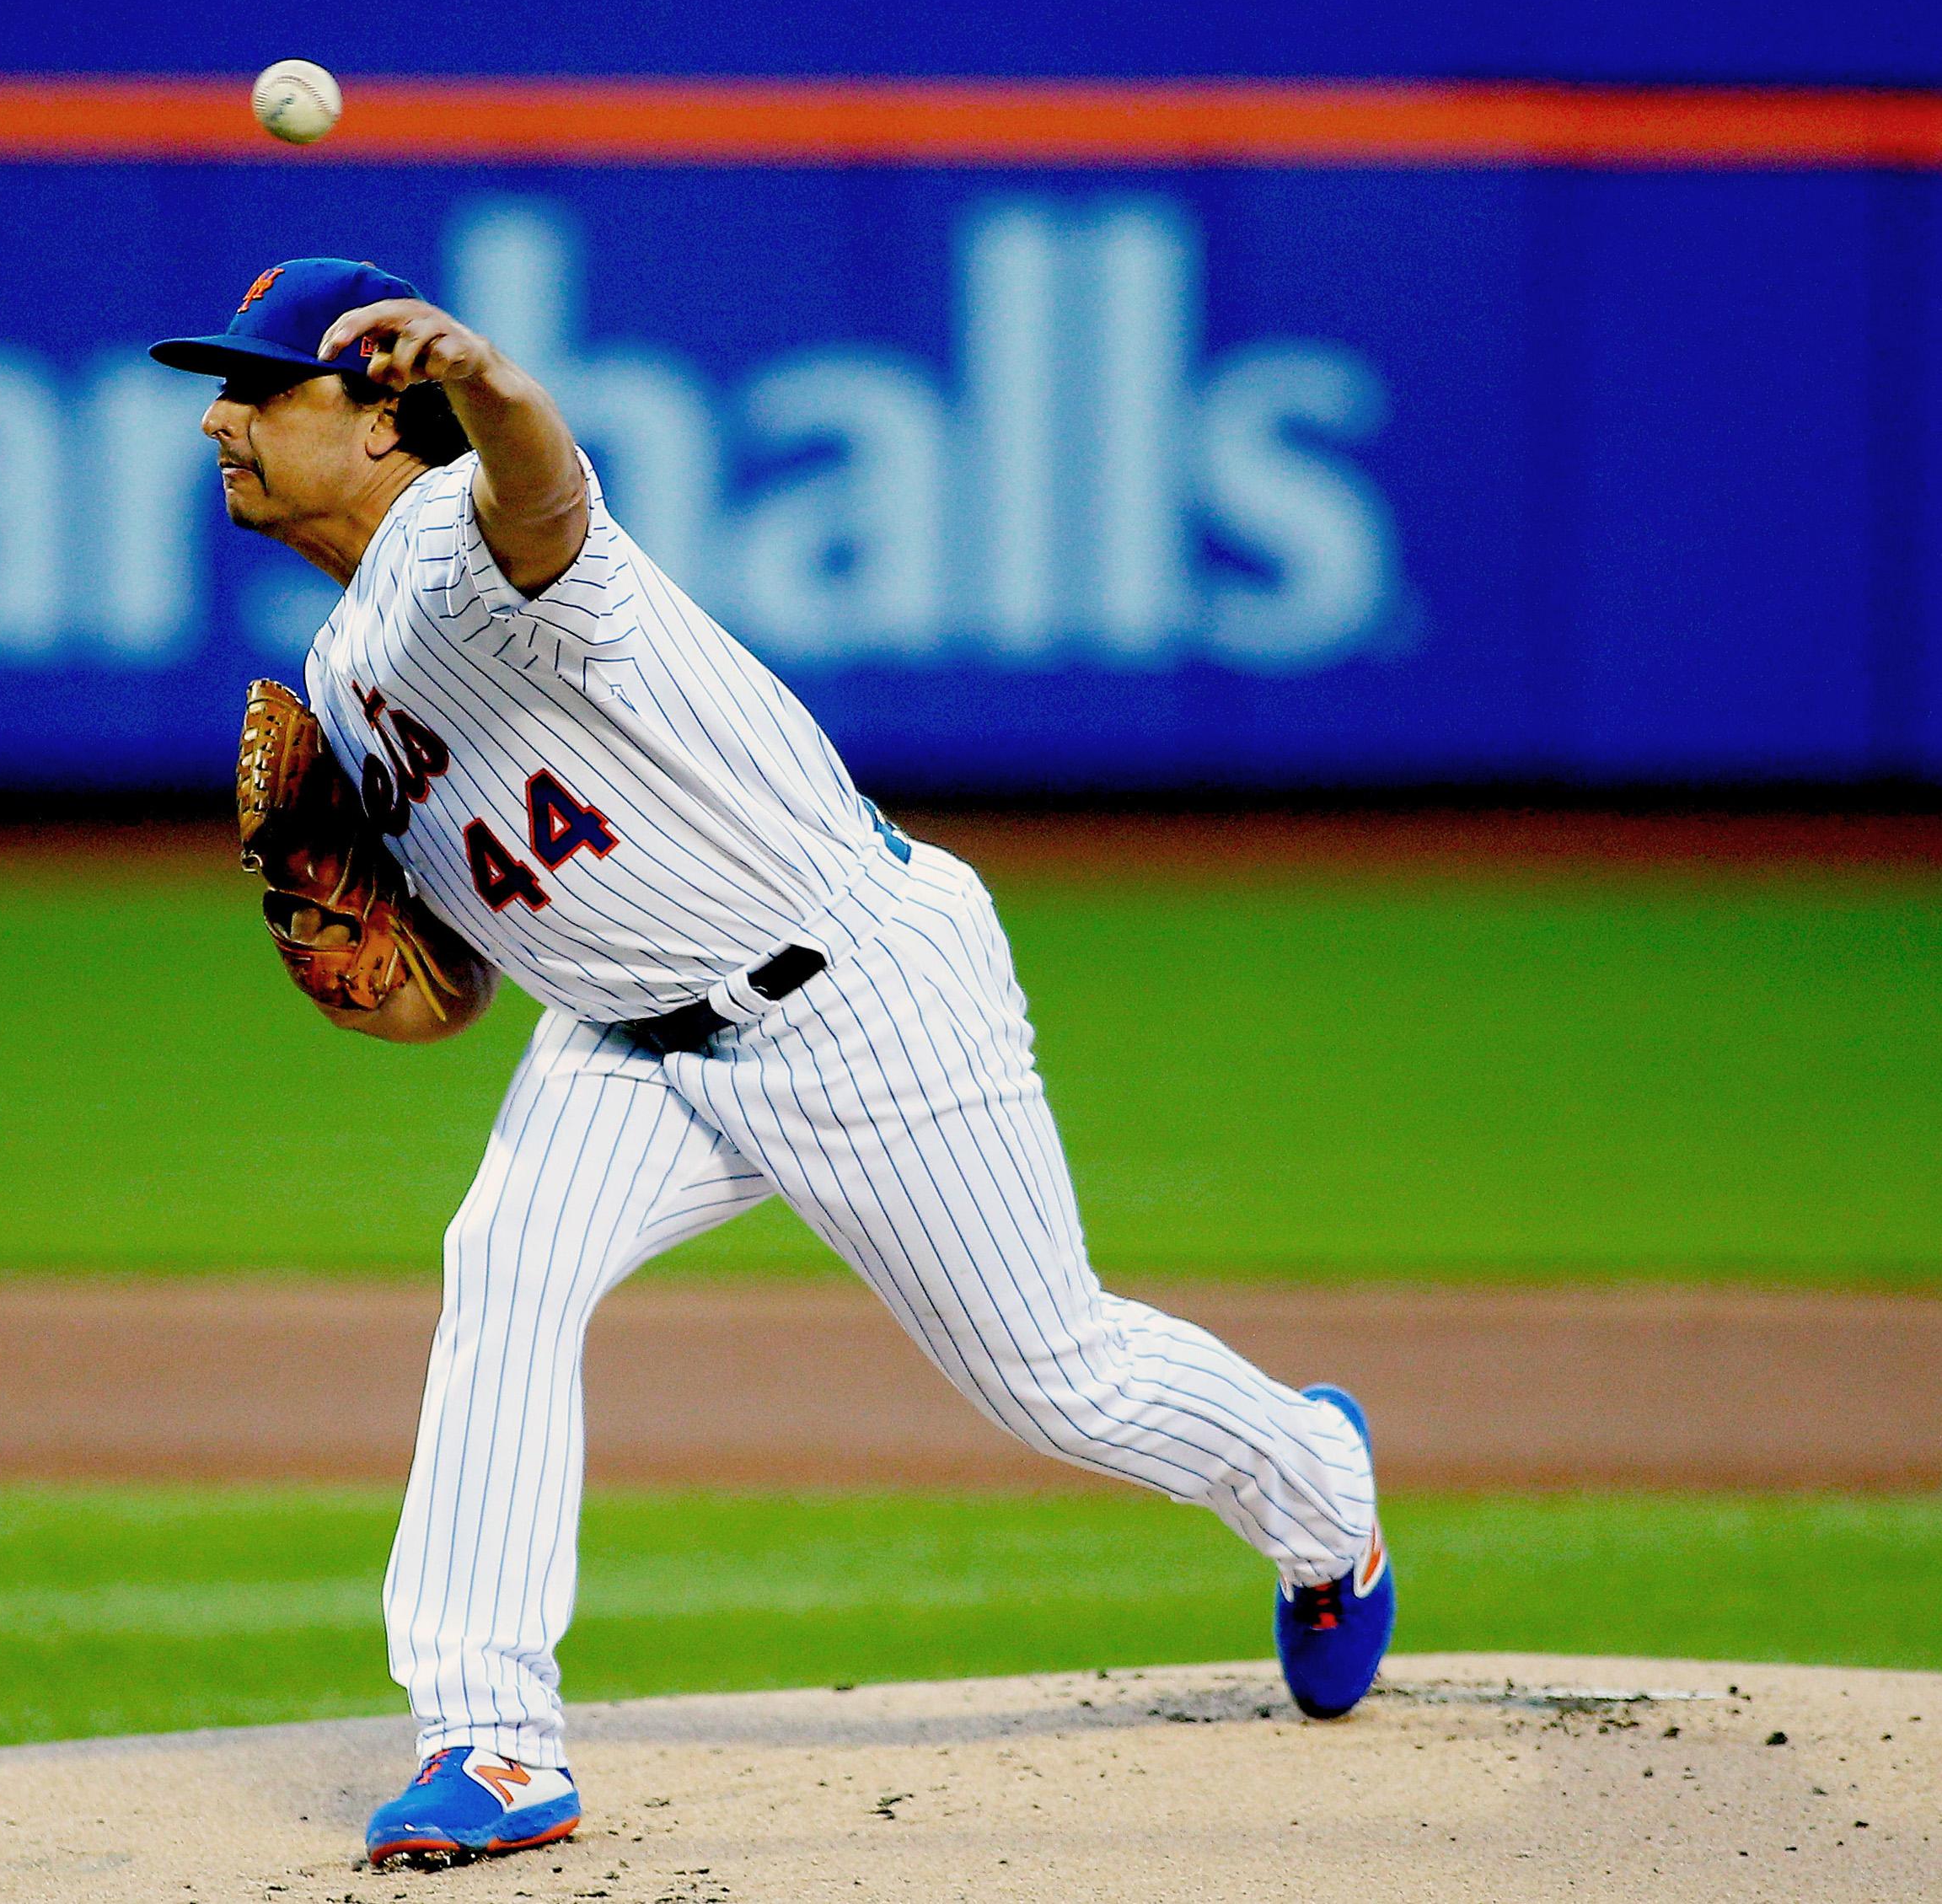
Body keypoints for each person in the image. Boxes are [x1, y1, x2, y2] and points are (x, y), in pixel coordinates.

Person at [148, 259, 1393, 1869]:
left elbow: (539, 484)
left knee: (1054, 1377)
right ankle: (491, 1743)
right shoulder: (340, 675)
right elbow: (447, 979)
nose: (218, 418)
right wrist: (386, 976)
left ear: (387, 418)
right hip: (623, 1037)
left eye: (257, 389)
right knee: (503, 1269)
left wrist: (492, 378)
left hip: (857, 994)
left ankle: (1316, 1486)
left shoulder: (468, 546)